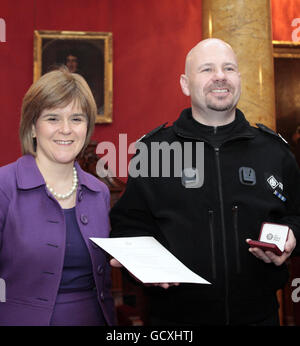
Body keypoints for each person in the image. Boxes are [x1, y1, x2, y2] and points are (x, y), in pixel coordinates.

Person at [109, 38, 300, 325]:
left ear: (239, 78)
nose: (220, 76)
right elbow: (129, 226)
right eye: (207, 69)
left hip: (259, 317)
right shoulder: (154, 151)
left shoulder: (273, 150)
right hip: (174, 321)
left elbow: (297, 214)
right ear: (185, 84)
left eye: (229, 68)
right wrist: (140, 268)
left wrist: (293, 235)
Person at [0, 68, 116, 326]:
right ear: (32, 127)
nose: (66, 129)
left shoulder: (100, 193)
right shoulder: (4, 187)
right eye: (53, 118)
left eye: (76, 119)